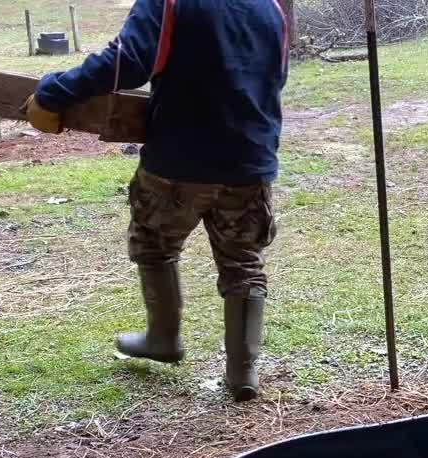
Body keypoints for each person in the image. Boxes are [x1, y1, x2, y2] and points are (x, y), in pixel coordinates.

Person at [24, 0, 289, 401]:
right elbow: (275, 77)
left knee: (153, 244)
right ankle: (243, 373)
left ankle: (163, 338)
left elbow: (126, 62)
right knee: (243, 263)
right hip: (250, 162)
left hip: (176, 163)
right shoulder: (270, 7)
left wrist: (53, 92)